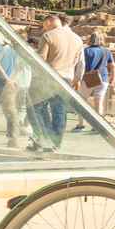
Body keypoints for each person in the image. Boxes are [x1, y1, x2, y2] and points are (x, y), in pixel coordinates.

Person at [32, 14, 83, 151]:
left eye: (44, 25)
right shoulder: (77, 39)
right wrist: (76, 78)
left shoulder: (48, 36)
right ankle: (56, 143)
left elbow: (41, 60)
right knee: (59, 110)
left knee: (37, 107)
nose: (43, 28)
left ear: (49, 22)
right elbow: (77, 61)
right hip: (67, 78)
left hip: (49, 77)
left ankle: (47, 138)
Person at [73, 31, 115, 130]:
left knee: (82, 101)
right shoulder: (107, 51)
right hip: (103, 79)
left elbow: (79, 65)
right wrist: (112, 78)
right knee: (99, 103)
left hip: (87, 78)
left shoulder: (85, 51)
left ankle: (80, 125)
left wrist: (77, 78)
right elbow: (113, 66)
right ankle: (97, 126)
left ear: (90, 39)